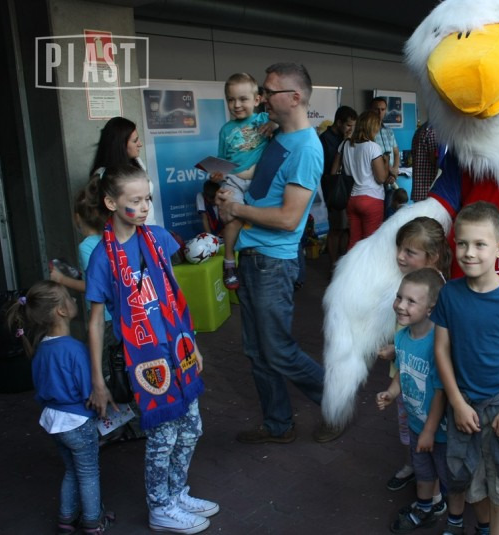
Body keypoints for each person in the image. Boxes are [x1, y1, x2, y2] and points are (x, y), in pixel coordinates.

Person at [85, 165, 217, 534]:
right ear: (111, 202)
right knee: (164, 436)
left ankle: (176, 493)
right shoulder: (102, 257)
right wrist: (98, 381)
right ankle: (160, 507)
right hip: (145, 360)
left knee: (191, 428)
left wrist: (192, 344)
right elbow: (95, 322)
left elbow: (174, 294)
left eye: (148, 199)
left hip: (177, 350)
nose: (145, 207)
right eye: (136, 200)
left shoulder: (158, 238)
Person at [217, 62, 343, 444]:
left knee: (278, 351)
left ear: (295, 97)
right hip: (253, 257)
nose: (262, 99)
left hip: (272, 263)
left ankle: (337, 405)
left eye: (269, 92)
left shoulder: (306, 148)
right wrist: (229, 192)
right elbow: (258, 186)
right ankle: (277, 424)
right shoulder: (277, 136)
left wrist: (237, 209)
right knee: (258, 352)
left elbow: (289, 219)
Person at [432, 201, 499, 535]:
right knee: (467, 473)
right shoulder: (449, 294)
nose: (469, 253)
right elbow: (441, 349)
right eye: (462, 243)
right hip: (464, 405)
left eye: (480, 244)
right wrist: (457, 403)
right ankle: (482, 525)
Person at [7, 281, 114, 534]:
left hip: (54, 422)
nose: (74, 300)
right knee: (88, 472)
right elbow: (89, 392)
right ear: (61, 311)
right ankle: (93, 521)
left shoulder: (40, 347)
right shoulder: (75, 349)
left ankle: (66, 518)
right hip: (78, 421)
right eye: (69, 297)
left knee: (71, 470)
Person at [49, 189, 147, 442]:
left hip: (106, 320)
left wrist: (62, 280)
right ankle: (136, 423)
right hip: (125, 317)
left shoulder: (88, 246)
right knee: (127, 370)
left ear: (77, 217)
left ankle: (123, 427)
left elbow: (94, 287)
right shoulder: (114, 239)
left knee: (109, 374)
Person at [376, 217, 451, 503]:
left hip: (428, 385)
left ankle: (434, 491)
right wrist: (395, 350)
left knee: (428, 436)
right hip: (405, 375)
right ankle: (415, 466)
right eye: (399, 249)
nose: (399, 256)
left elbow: (432, 344)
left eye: (409, 251)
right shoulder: (409, 284)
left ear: (431, 257)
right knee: (408, 427)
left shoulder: (436, 292)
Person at [212, 73, 272, 290]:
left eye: (243, 99)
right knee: (233, 218)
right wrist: (216, 176)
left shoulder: (264, 120)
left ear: (257, 100)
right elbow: (221, 161)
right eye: (231, 99)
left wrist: (273, 125)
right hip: (233, 180)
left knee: (262, 219)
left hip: (259, 181)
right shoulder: (225, 130)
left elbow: (284, 125)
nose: (236, 105)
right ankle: (229, 262)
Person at [330, 110, 389, 249]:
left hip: (352, 198)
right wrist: (386, 163)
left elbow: (333, 171)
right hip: (372, 199)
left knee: (354, 243)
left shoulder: (345, 144)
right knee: (371, 244)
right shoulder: (373, 147)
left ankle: (350, 264)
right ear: (372, 127)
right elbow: (381, 178)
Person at [319, 105, 357, 271]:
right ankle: (333, 266)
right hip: (335, 189)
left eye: (353, 126)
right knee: (336, 229)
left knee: (347, 229)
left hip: (349, 187)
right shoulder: (325, 139)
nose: (350, 129)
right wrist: (343, 145)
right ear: (339, 122)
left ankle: (343, 264)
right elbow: (328, 167)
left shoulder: (347, 138)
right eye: (348, 125)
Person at [410, 121, 439, 202]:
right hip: (429, 190)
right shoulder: (433, 132)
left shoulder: (420, 130)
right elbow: (435, 161)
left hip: (419, 191)